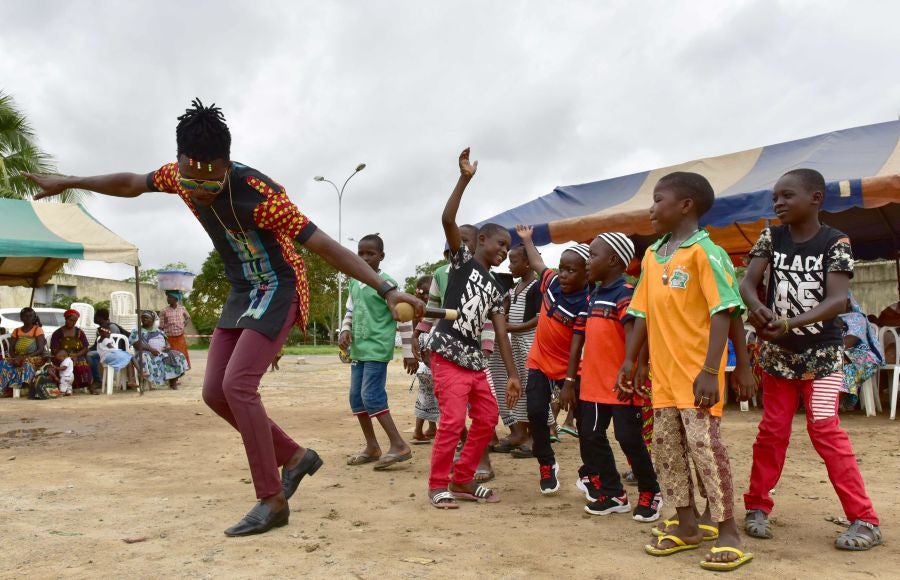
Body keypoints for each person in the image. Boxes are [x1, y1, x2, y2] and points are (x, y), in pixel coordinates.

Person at [26, 98, 423, 537]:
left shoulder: (262, 196)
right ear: (180, 165)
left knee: (239, 385)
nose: (197, 191)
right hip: (240, 291)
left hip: (279, 287)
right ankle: (294, 456)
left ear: (226, 164)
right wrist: (69, 180)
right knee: (215, 392)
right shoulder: (178, 176)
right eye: (190, 181)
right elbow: (131, 183)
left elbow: (327, 245)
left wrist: (386, 288)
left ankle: (272, 500)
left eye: (209, 183)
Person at [740, 168, 882, 551]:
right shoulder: (772, 236)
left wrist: (788, 323)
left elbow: (837, 301)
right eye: (775, 198)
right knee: (772, 432)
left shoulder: (836, 242)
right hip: (778, 360)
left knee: (826, 431)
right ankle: (756, 506)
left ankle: (864, 519)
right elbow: (747, 284)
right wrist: (757, 310)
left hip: (822, 360)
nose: (779, 203)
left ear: (815, 198)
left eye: (787, 196)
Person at [619, 171, 751, 571]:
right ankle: (686, 524)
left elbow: (726, 312)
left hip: (698, 379)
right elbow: (641, 314)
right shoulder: (653, 255)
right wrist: (632, 360)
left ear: (685, 205)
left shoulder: (705, 253)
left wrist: (715, 369)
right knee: (669, 454)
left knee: (707, 452)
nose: (652, 208)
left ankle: (728, 531)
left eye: (658, 199)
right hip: (664, 381)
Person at [425, 147, 520, 509]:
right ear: (481, 241)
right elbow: (448, 220)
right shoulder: (463, 262)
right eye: (500, 244)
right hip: (447, 353)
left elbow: (500, 331)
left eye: (508, 248)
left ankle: (462, 479)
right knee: (451, 421)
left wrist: (512, 375)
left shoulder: (498, 289)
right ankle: (438, 485)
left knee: (488, 417)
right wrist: (464, 179)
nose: (503, 251)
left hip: (474, 361)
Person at [560, 232, 662, 521]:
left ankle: (650, 490)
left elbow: (636, 338)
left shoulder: (625, 294)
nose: (587, 261)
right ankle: (613, 491)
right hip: (592, 384)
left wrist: (632, 370)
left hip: (620, 382)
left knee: (628, 437)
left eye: (593, 256)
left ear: (614, 260)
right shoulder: (594, 295)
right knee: (591, 436)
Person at [516, 224, 591, 496]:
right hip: (539, 361)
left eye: (572, 270)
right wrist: (527, 239)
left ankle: (589, 472)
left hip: (571, 366)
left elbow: (577, 345)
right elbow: (537, 262)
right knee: (535, 413)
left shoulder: (586, 302)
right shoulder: (551, 282)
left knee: (586, 423)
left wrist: (569, 382)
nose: (564, 274)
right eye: (563, 268)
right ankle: (547, 464)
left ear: (587, 274)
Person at [338, 234, 415, 470]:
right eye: (360, 253)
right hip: (359, 349)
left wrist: (409, 351)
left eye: (370, 254)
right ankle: (372, 447)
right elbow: (350, 310)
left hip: (377, 348)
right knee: (356, 398)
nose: (364, 258)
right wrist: (344, 330)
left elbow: (403, 318)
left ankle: (399, 444)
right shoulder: (354, 281)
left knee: (371, 395)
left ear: (381, 257)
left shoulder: (387, 284)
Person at [489, 244, 541, 457]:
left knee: (533, 389)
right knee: (517, 387)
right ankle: (519, 433)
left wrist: (510, 327)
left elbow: (539, 319)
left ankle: (536, 436)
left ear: (528, 263)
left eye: (513, 261)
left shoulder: (537, 287)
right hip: (516, 343)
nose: (509, 266)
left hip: (529, 343)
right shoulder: (515, 288)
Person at [838, 294, 884, 409]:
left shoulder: (857, 318)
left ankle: (829, 405)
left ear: (848, 302)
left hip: (864, 358)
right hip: (840, 356)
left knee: (843, 370)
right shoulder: (828, 319)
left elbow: (850, 342)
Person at [129, 311, 190, 389]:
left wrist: (168, 347)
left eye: (146, 317)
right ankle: (147, 379)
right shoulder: (137, 330)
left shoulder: (159, 331)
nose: (143, 319)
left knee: (178, 355)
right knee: (144, 356)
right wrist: (151, 350)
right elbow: (136, 345)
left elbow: (167, 342)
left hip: (161, 353)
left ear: (153, 320)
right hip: (146, 353)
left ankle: (173, 381)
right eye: (142, 317)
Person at [411, 275, 439, 444]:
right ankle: (456, 434)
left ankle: (422, 430)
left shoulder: (417, 310)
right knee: (439, 396)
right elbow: (416, 335)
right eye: (426, 293)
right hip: (430, 358)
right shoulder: (432, 309)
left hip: (425, 360)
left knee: (425, 395)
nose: (428, 297)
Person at [1, 307, 47, 397]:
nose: (28, 318)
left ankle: (25, 388)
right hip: (18, 356)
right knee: (4, 363)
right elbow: (11, 349)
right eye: (25, 316)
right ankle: (4, 388)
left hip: (36, 357)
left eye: (30, 316)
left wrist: (25, 357)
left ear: (34, 318)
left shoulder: (37, 330)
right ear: (21, 318)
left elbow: (40, 349)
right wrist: (15, 357)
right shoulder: (16, 331)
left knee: (26, 362)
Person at [50, 310, 96, 394]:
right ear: (65, 319)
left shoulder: (79, 332)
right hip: (62, 356)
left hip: (77, 355)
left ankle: (90, 386)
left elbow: (85, 347)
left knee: (83, 362)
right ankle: (63, 387)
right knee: (63, 363)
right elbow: (54, 349)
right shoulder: (57, 333)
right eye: (70, 320)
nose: (72, 322)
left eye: (74, 321)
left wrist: (76, 355)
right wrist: (66, 357)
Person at [87, 308, 127, 384]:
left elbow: (114, 344)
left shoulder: (112, 327)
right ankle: (97, 380)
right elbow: (98, 344)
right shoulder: (101, 328)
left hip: (113, 353)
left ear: (101, 318)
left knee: (90, 355)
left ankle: (97, 380)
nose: (94, 318)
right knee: (90, 355)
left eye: (96, 316)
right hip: (104, 351)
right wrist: (87, 349)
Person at [159, 291, 192, 372]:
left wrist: (184, 325)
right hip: (169, 338)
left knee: (181, 356)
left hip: (180, 337)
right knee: (171, 357)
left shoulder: (182, 308)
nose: (168, 299)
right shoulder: (164, 311)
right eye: (167, 297)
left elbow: (188, 317)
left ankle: (180, 372)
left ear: (176, 299)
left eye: (170, 297)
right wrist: (164, 340)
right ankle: (173, 375)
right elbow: (161, 327)